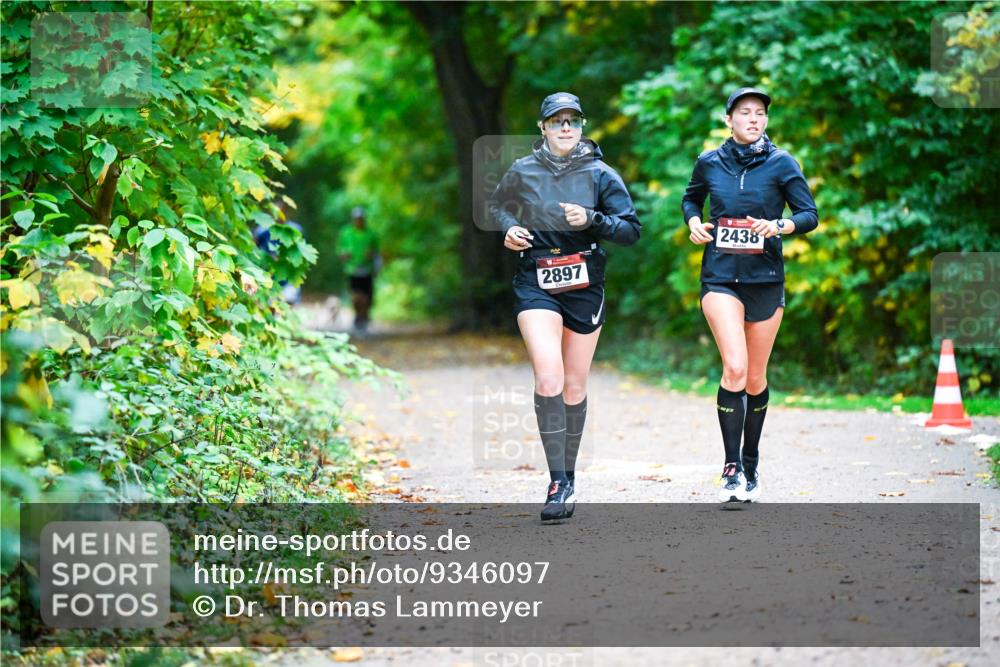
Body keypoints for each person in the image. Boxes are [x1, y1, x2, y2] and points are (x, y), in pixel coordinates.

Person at [489, 92, 641, 521]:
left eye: (573, 120)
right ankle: (557, 482)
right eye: (557, 121)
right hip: (535, 279)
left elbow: (631, 230)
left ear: (582, 126)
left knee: (574, 386)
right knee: (549, 376)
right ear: (543, 127)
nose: (566, 128)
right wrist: (510, 228)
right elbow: (497, 205)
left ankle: (568, 475)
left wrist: (593, 219)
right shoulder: (523, 170)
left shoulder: (601, 173)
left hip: (584, 284)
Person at [681, 87, 818, 503]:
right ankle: (731, 468)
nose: (754, 119)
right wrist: (694, 223)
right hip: (720, 278)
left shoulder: (782, 162)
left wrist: (779, 226)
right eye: (745, 112)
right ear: (729, 120)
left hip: (765, 280)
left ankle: (751, 461)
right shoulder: (709, 161)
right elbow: (691, 199)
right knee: (735, 368)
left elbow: (808, 215)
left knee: (755, 378)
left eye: (760, 113)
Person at [336, 206, 380, 335]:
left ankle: (364, 317)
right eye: (356, 219)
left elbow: (377, 253)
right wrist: (344, 255)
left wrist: (372, 257)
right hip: (352, 269)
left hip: (367, 269)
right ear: (353, 219)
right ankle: (358, 317)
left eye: (361, 219)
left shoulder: (371, 234)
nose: (359, 221)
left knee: (367, 298)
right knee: (356, 296)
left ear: (364, 219)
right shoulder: (346, 233)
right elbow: (339, 251)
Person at [253, 199, 304, 305]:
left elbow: (301, 254)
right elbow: (254, 251)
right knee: (269, 307)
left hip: (288, 278)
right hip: (268, 278)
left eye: (280, 212)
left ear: (285, 213)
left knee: (288, 305)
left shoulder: (295, 231)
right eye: (274, 212)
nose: (277, 216)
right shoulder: (262, 231)